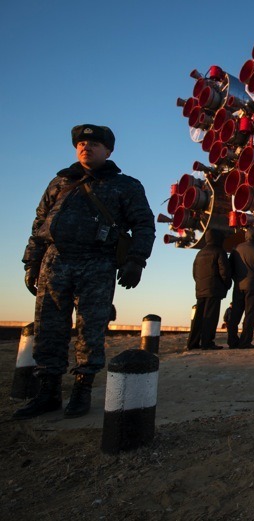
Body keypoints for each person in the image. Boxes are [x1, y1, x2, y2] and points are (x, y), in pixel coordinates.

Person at [14, 124, 155, 420]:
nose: (85, 147)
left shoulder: (126, 186)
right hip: (55, 262)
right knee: (48, 328)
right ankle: (48, 391)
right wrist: (32, 263)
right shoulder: (60, 182)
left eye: (93, 143)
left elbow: (144, 224)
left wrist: (136, 260)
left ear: (108, 150)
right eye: (80, 142)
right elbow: (39, 224)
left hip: (97, 263)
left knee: (90, 330)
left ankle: (82, 389)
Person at [227, 227, 254, 349]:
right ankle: (245, 342)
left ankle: (232, 341)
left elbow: (229, 267)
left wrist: (235, 279)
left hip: (239, 285)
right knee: (249, 313)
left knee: (235, 313)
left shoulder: (236, 249)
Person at [187, 229, 231, 350]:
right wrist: (227, 284)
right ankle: (207, 342)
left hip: (201, 289)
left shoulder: (200, 253)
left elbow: (194, 273)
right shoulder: (219, 251)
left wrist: (200, 284)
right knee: (210, 317)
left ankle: (192, 343)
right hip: (214, 289)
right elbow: (224, 272)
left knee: (199, 317)